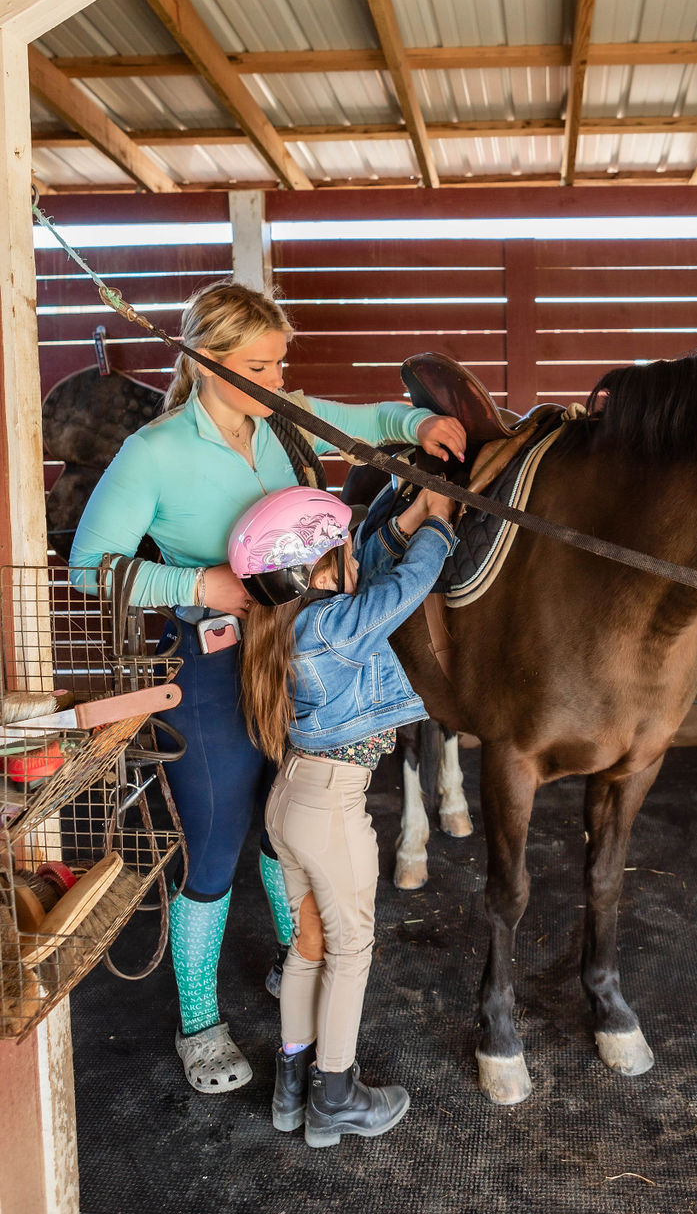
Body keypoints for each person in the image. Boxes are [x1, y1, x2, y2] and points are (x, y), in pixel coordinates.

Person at [69, 280, 465, 1094]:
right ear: (204, 362)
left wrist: (417, 423)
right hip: (212, 663)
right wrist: (198, 584)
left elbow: (361, 422)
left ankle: (300, 966)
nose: (277, 380)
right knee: (214, 849)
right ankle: (199, 1022)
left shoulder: (280, 420)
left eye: (281, 364)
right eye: (258, 365)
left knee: (287, 835)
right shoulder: (154, 452)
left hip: (296, 656)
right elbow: (89, 568)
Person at [229, 482, 457, 1144]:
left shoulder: (289, 620)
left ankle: (292, 1088)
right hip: (330, 809)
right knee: (352, 949)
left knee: (309, 948)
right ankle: (336, 1097)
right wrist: (437, 525)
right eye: (340, 547)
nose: (352, 555)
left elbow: (364, 570)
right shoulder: (337, 626)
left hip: (291, 802)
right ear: (319, 568)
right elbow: (402, 585)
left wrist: (406, 516)